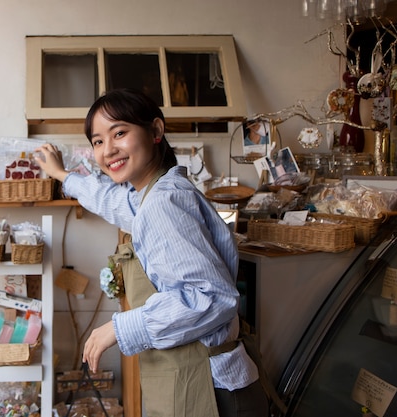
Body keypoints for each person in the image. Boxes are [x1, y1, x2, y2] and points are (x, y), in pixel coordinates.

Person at [34, 88, 269, 417]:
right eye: (98, 141)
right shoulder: (153, 194)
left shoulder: (162, 203)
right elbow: (114, 201)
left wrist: (117, 328)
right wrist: (62, 176)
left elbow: (211, 296)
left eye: (120, 133)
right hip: (208, 381)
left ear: (156, 131)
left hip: (212, 391)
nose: (108, 150)